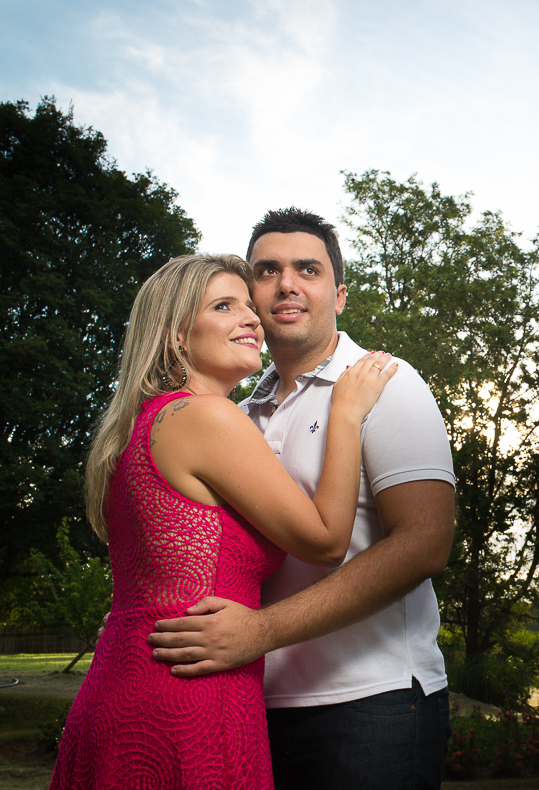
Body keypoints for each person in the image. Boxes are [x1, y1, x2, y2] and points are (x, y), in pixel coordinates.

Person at [52, 254, 398, 789]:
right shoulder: (204, 416)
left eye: (247, 305)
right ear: (175, 336)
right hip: (186, 696)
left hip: (139, 677)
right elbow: (327, 540)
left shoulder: (147, 425)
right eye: (223, 306)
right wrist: (346, 413)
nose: (252, 318)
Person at [147, 208, 457, 789]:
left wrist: (261, 632)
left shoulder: (386, 382)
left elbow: (424, 545)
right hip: (249, 703)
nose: (287, 283)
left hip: (371, 703)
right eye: (267, 271)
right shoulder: (235, 415)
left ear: (338, 295)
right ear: (250, 297)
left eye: (307, 269)